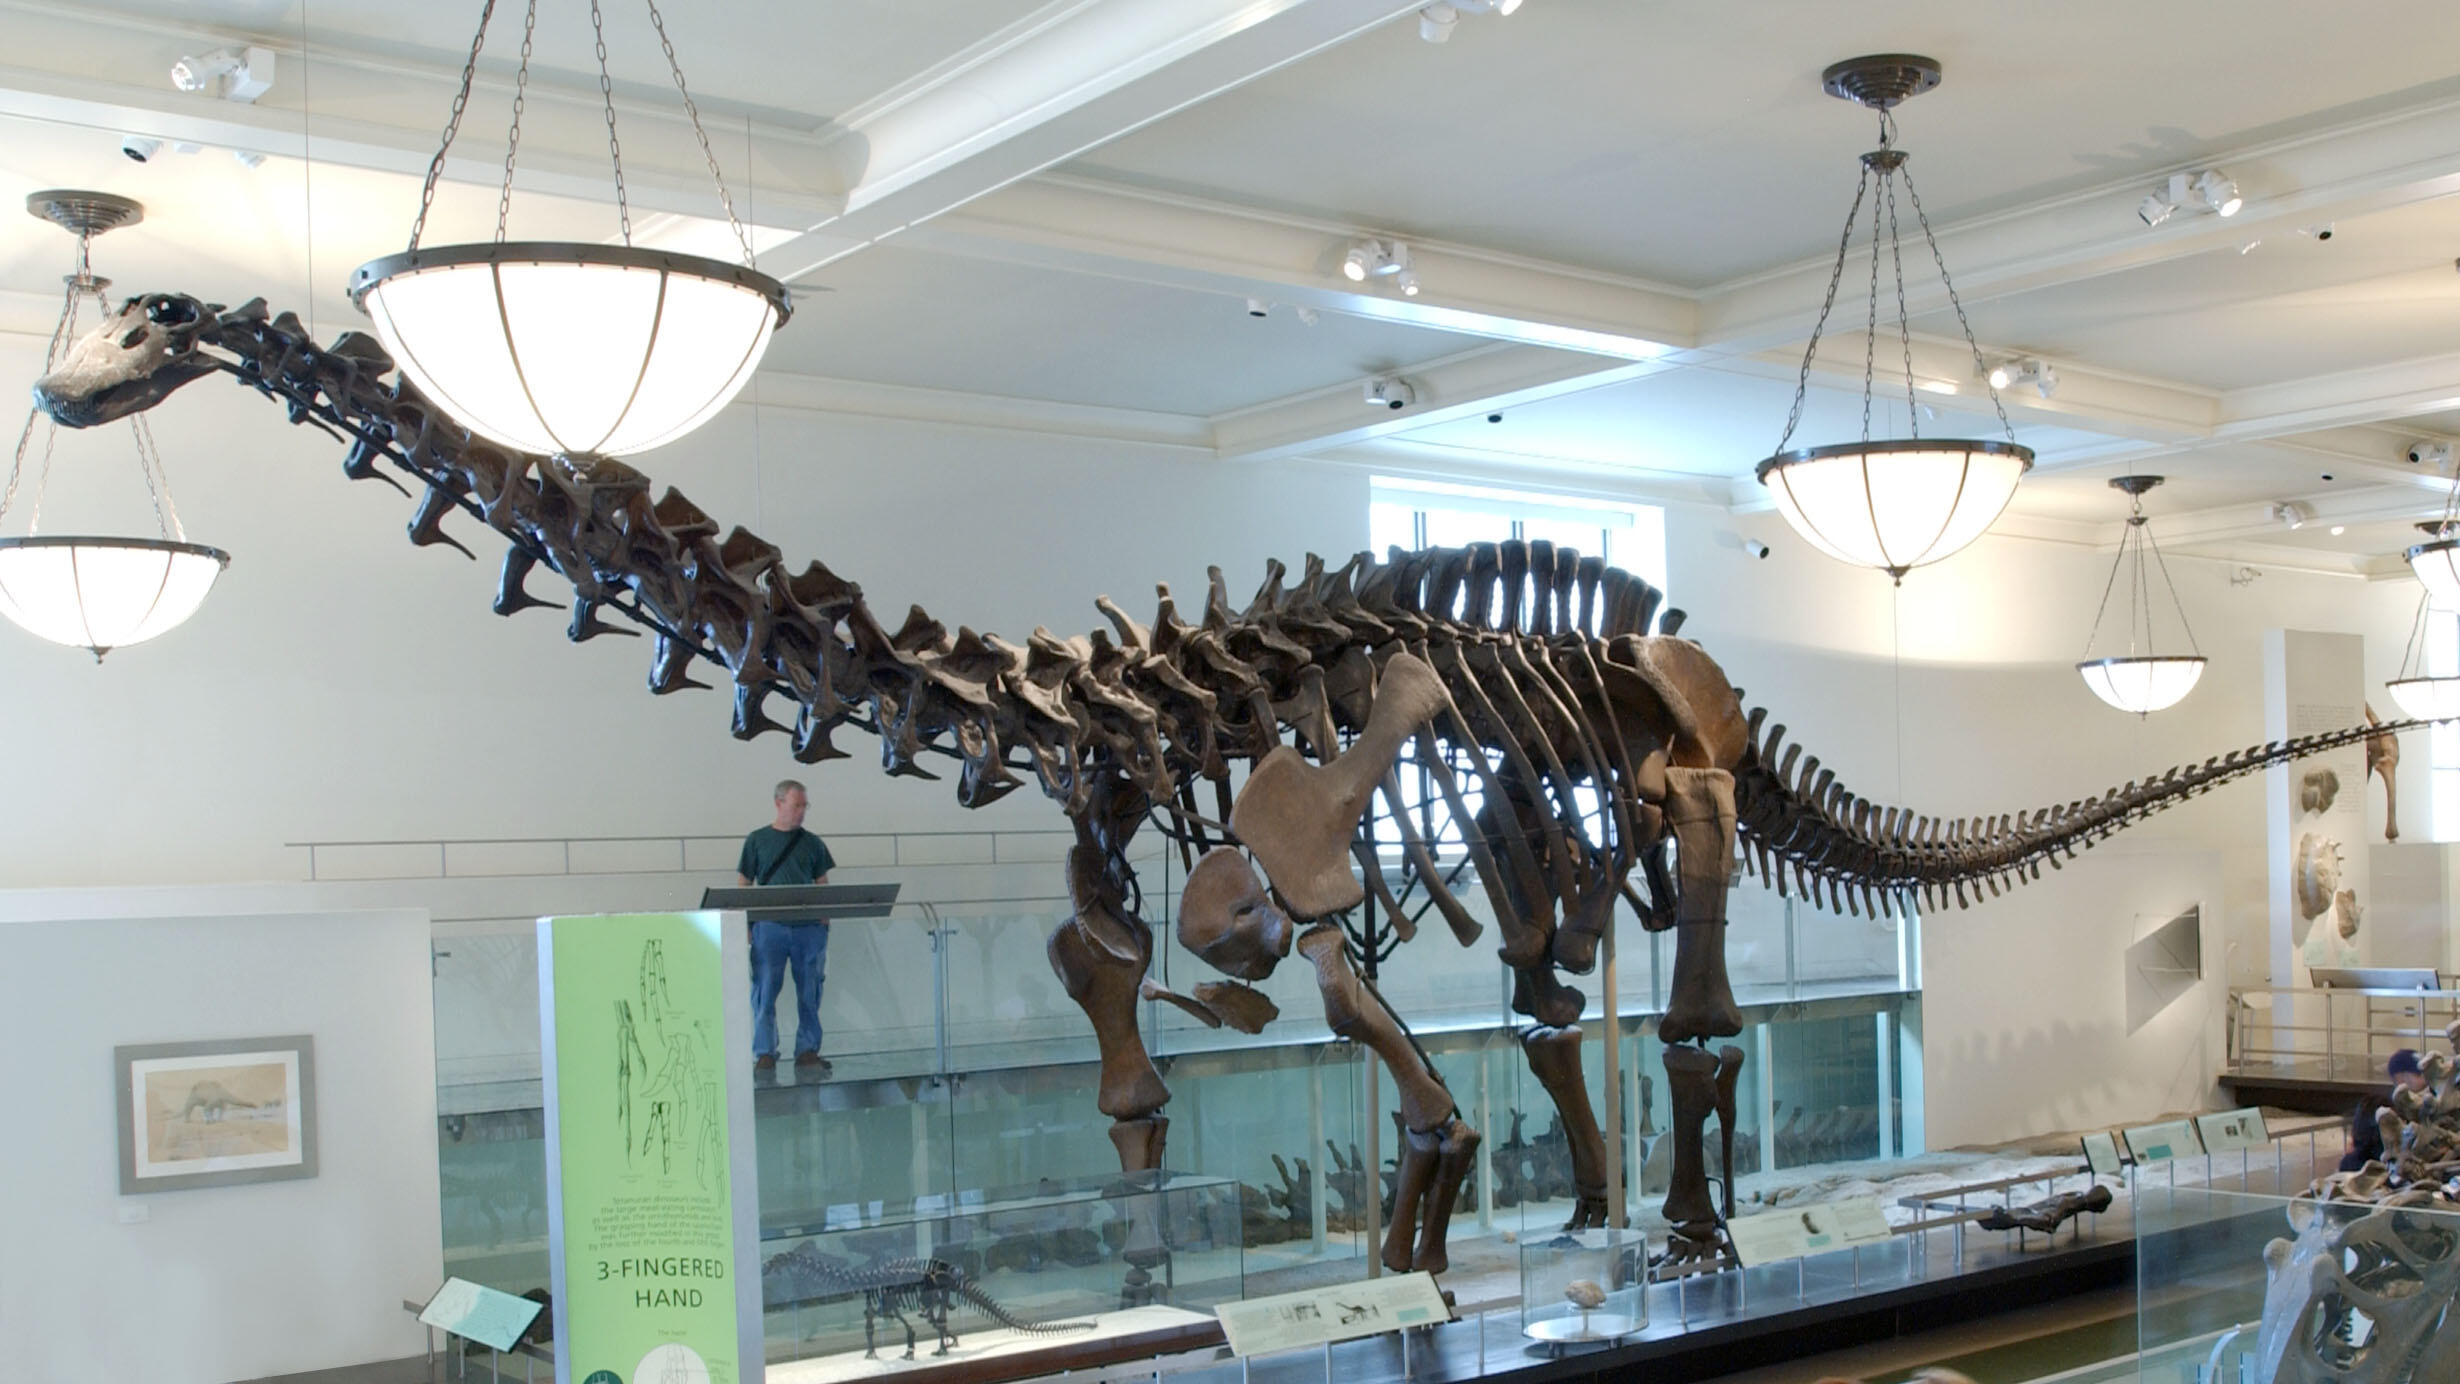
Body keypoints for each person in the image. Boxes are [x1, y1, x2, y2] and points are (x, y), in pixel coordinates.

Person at [738, 779, 836, 1076]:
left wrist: (824, 917)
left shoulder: (813, 843)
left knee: (810, 990)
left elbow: (822, 883)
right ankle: (765, 1051)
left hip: (807, 928)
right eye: (797, 805)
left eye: (804, 806)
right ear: (779, 803)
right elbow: (744, 883)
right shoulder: (757, 840)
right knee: (765, 990)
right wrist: (747, 922)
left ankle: (807, 1050)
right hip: (770, 928)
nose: (801, 812)